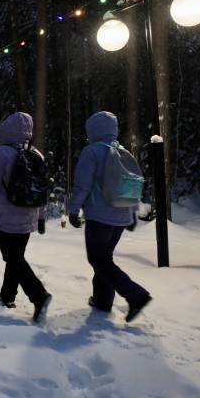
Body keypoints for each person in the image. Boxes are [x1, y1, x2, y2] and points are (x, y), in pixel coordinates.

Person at [68, 111, 152, 323]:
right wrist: (132, 213)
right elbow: (131, 183)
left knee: (98, 259)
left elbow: (83, 185)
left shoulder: (92, 152)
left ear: (92, 131)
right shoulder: (122, 151)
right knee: (105, 258)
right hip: (121, 217)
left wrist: (73, 210)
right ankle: (102, 301)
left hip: (100, 216)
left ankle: (136, 295)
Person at [0, 112, 52, 323]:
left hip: (8, 217)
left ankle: (39, 296)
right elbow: (40, 190)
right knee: (16, 256)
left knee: (12, 257)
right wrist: (40, 217)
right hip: (28, 216)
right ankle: (7, 296)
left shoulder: (1, 154)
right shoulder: (37, 154)